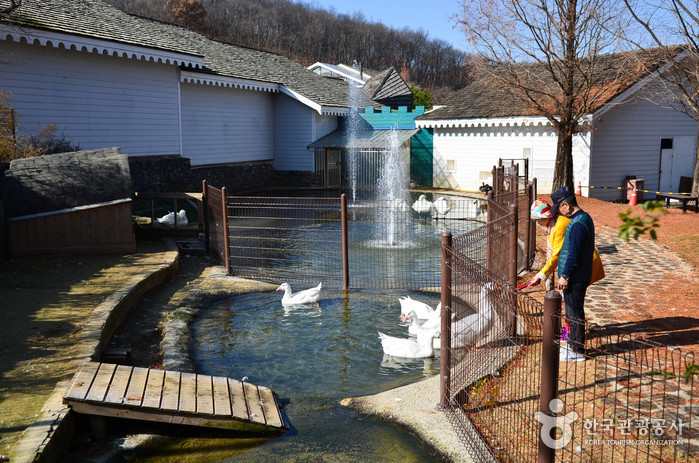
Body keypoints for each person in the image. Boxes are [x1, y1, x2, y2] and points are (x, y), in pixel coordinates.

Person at [551, 186, 596, 362]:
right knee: (573, 311)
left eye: (559, 209)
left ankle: (577, 350)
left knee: (574, 312)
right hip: (580, 274)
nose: (560, 213)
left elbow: (574, 253)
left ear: (566, 205)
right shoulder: (584, 218)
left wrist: (565, 276)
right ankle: (573, 345)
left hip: (575, 277)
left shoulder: (577, 224)